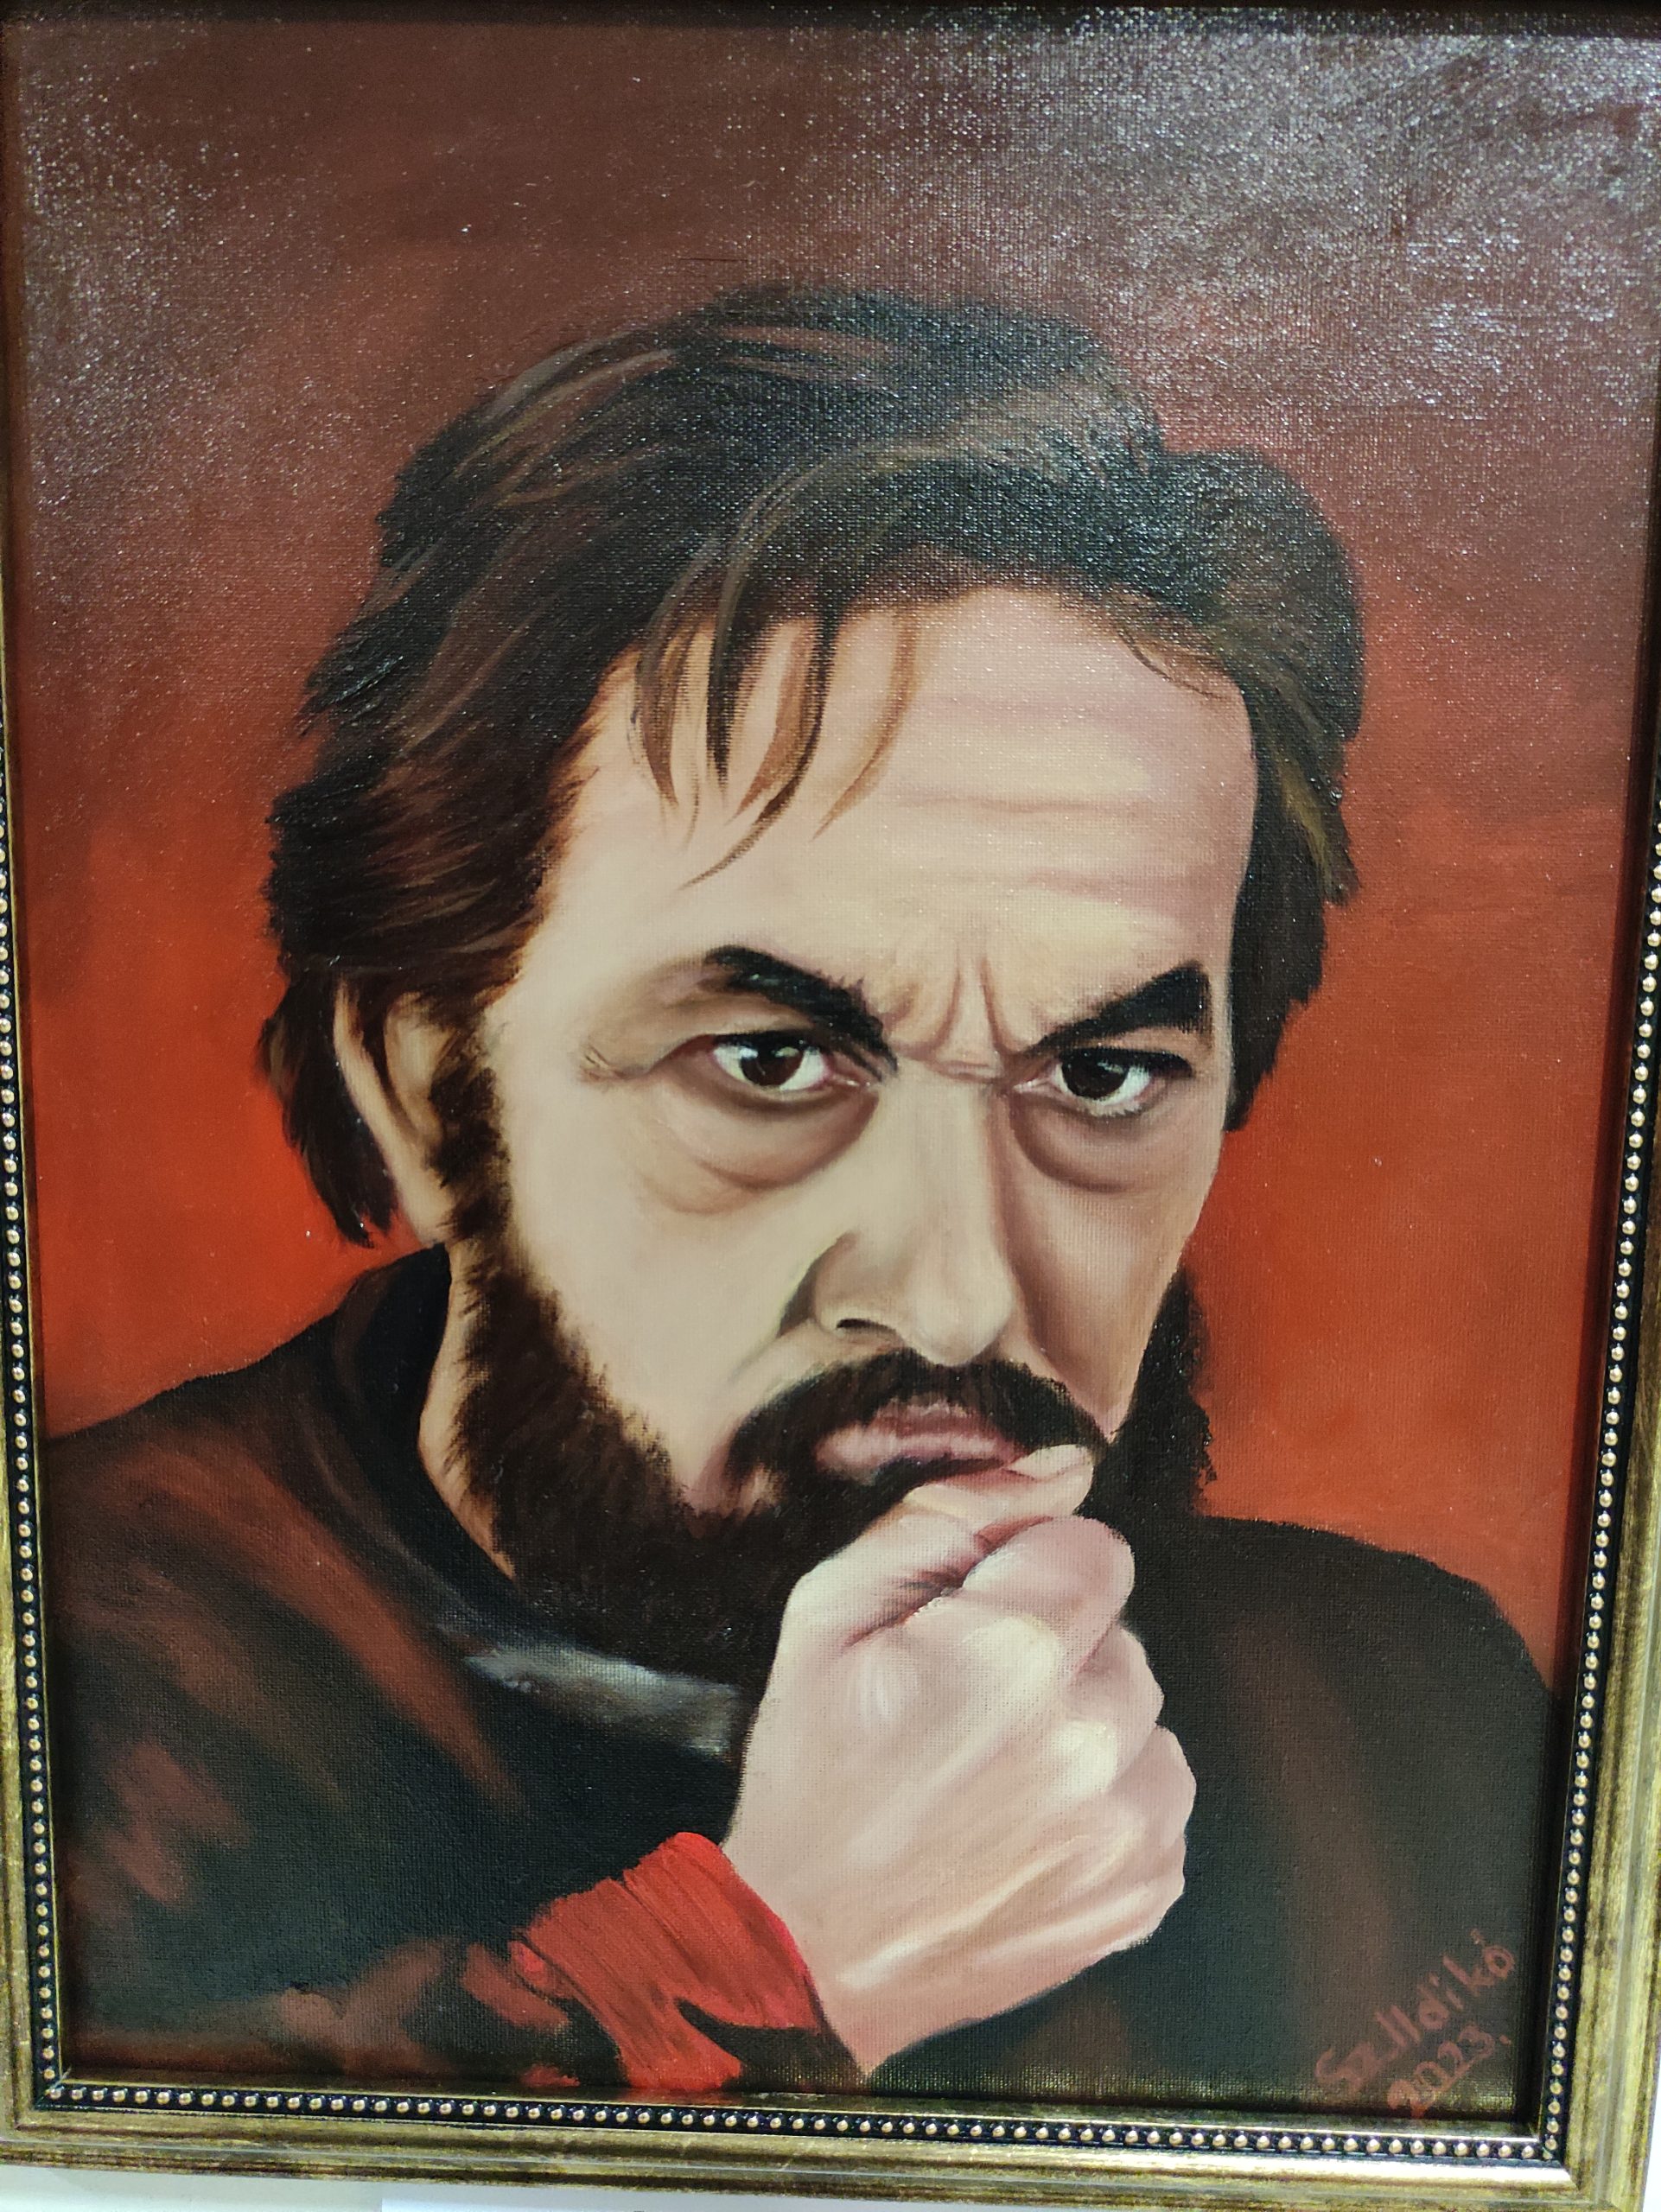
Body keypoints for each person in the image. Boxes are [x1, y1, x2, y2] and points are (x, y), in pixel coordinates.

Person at [46, 286, 1556, 2115]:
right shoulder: (71, 1682)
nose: (960, 1294)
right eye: (770, 1061)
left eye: (1099, 1075)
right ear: (430, 1089)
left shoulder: (1403, 1707)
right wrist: (767, 1956)